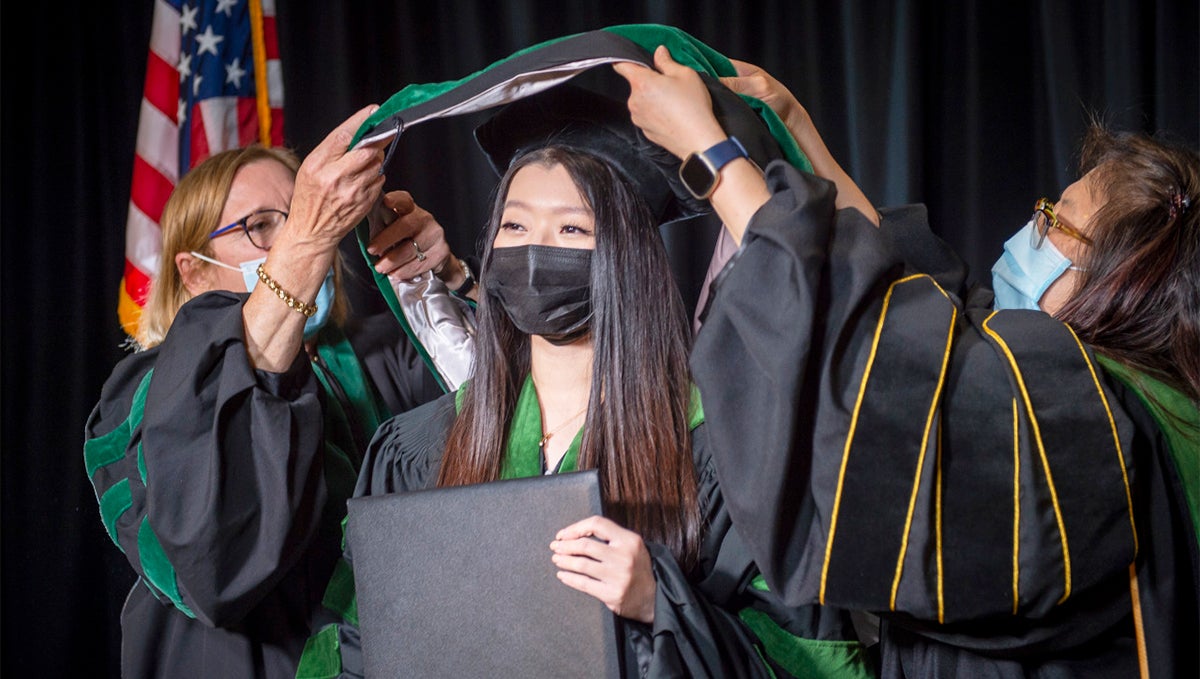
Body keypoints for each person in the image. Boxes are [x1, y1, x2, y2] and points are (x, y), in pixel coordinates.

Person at [616, 46, 1199, 677]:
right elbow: (919, 311)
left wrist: (712, 157)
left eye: (1057, 221)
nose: (1031, 230)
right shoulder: (1148, 400)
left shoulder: (1084, 418)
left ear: (1123, 280)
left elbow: (867, 365)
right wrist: (796, 127)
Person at [300, 85, 878, 679]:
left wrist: (662, 603)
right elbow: (353, 642)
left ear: (625, 256)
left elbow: (810, 662)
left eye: (573, 230)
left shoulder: (724, 448)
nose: (535, 251)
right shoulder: (418, 446)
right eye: (515, 226)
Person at [83, 106, 474, 678]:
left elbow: (522, 434)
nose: (293, 237)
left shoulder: (377, 352)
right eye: (263, 225)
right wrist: (303, 246)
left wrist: (448, 282)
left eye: (302, 216)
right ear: (192, 273)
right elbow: (213, 563)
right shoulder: (144, 391)